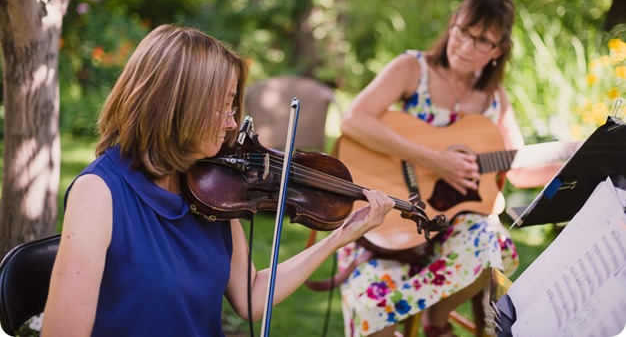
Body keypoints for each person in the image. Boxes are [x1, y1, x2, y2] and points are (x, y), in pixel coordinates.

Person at [41, 24, 395, 337]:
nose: (231, 123)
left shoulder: (212, 186)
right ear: (176, 106)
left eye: (233, 108)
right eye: (222, 107)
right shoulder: (99, 194)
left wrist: (340, 236)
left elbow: (252, 295)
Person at [337, 0, 563, 337]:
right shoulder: (412, 68)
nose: (466, 46)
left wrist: (574, 156)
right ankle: (386, 313)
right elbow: (353, 121)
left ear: (499, 50)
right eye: (463, 31)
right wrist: (433, 160)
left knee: (493, 247)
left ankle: (435, 320)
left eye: (482, 41)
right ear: (452, 24)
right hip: (392, 217)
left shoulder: (493, 97)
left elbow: (519, 168)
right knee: (371, 307)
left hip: (451, 228)